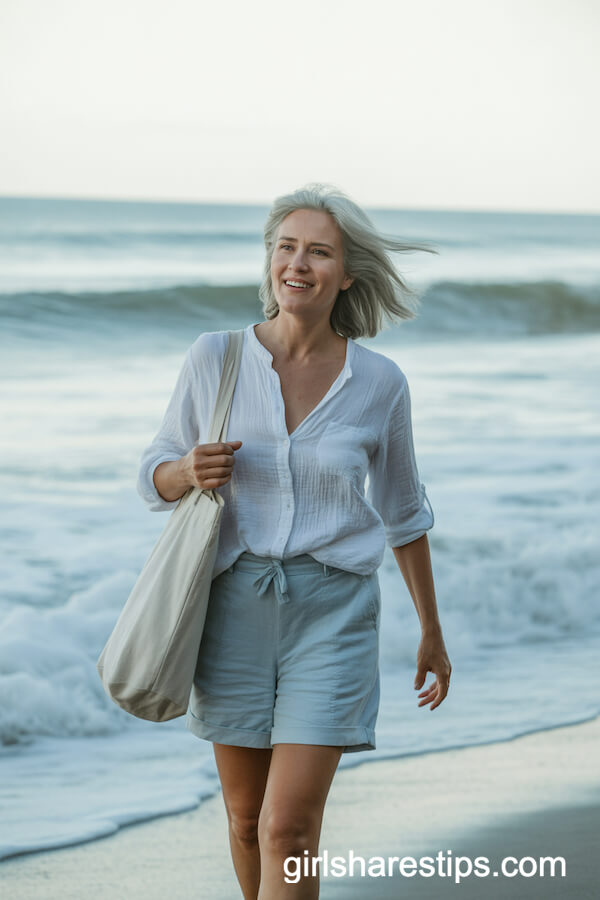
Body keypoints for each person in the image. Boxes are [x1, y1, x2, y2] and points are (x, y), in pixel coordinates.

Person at [136, 182, 452, 899]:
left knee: (289, 827)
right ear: (270, 260)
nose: (298, 264)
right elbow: (151, 475)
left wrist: (431, 631)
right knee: (247, 820)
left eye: (319, 252)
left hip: (333, 614)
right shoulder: (215, 357)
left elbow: (404, 512)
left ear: (347, 274)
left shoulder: (379, 383)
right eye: (286, 247)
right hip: (232, 607)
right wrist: (185, 471)